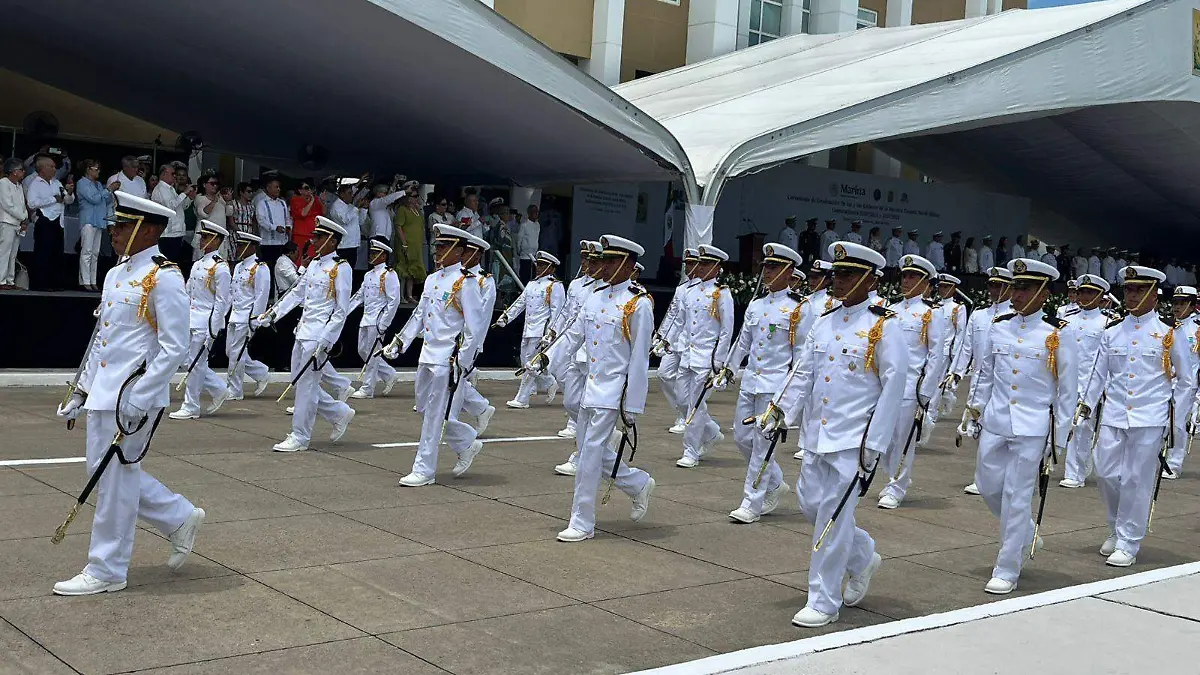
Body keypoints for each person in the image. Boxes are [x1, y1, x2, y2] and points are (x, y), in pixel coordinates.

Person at [52, 191, 204, 596]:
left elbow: (175, 346)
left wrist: (142, 395)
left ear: (147, 230)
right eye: (115, 225)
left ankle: (107, 569)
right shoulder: (117, 274)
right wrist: (81, 389)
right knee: (105, 474)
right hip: (104, 391)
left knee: (114, 480)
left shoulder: (165, 276)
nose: (114, 232)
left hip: (133, 397)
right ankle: (178, 515)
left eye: (122, 226)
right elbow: (101, 340)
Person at [756, 241, 904, 627]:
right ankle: (862, 554)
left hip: (853, 440)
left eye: (849, 275)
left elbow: (893, 387)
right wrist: (778, 410)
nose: (838, 281)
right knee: (811, 505)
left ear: (870, 279)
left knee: (833, 519)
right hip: (816, 436)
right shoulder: (824, 321)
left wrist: (874, 444)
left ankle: (823, 600)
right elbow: (802, 372)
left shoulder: (883, 325)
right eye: (837, 274)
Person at [528, 235, 656, 542]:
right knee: (590, 452)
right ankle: (637, 482)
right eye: (604, 260)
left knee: (588, 456)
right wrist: (546, 358)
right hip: (590, 387)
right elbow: (573, 336)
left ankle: (582, 521)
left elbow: (640, 358)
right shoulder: (594, 297)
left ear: (627, 264)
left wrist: (633, 406)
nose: (603, 265)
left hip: (614, 393)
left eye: (611, 261)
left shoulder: (637, 304)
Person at [958, 257, 1073, 594]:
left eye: (1025, 288)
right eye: (1015, 286)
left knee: (1017, 495)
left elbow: (1067, 390)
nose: (1017, 294)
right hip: (996, 419)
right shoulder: (1000, 326)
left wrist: (1058, 438)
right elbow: (985, 372)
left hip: (1033, 425)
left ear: (1044, 293)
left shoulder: (1057, 334)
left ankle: (1007, 566)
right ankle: (1023, 531)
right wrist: (974, 409)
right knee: (988, 484)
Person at [1079, 264, 1193, 567]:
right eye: (1129, 289)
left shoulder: (1168, 333)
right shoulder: (1113, 331)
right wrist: (1086, 406)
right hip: (1115, 414)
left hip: (1150, 416)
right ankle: (1116, 526)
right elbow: (1097, 375)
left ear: (1154, 295)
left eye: (1139, 290)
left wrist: (1174, 419)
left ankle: (1129, 539)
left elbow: (1185, 379)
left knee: (1135, 479)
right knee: (1105, 473)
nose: (1131, 295)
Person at [383, 224, 486, 485]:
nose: (437, 250)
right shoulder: (432, 279)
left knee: (433, 415)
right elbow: (420, 314)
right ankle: (466, 442)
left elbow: (474, 329)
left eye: (443, 246)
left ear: (458, 250)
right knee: (425, 408)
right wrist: (401, 341)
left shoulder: (466, 283)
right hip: (427, 353)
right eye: (438, 245)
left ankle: (424, 469)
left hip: (446, 358)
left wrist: (462, 362)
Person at [254, 216, 357, 452]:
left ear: (332, 241)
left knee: (307, 387)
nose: (314, 240)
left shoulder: (340, 268)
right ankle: (339, 412)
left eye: (319, 237)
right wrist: (272, 314)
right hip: (303, 331)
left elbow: (341, 310)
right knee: (300, 382)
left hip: (318, 335)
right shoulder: (313, 264)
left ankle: (300, 435)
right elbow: (296, 293)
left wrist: (327, 339)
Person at [720, 243, 803, 523]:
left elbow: (800, 359)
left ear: (789, 271)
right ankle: (776, 483)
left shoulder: (797, 309)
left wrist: (787, 398)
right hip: (751, 382)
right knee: (741, 438)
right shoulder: (756, 304)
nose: (767, 272)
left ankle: (751, 503)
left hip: (774, 387)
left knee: (761, 444)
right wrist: (729, 369)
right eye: (766, 267)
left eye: (774, 267)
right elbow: (744, 341)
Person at [877, 254, 946, 510]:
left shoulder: (930, 314)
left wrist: (925, 393)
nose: (907, 281)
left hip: (910, 387)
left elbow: (936, 355)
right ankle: (890, 477)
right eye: (905, 275)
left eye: (913, 276)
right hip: (886, 385)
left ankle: (897, 485)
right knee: (883, 438)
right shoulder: (891, 309)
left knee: (902, 440)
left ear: (925, 281)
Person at [953, 266, 1014, 495]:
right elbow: (965, 348)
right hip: (980, 380)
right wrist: (956, 372)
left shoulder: (1014, 317)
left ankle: (1006, 477)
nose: (994, 290)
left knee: (1002, 433)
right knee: (979, 429)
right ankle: (982, 479)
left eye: (999, 285)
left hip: (1005, 383)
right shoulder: (979, 315)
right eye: (991, 285)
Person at [675, 245, 732, 468]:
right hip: (688, 355)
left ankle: (690, 450)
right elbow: (681, 321)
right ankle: (712, 431)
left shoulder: (721, 293)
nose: (700, 268)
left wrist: (718, 362)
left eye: (706, 264)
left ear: (717, 268)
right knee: (681, 399)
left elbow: (727, 330)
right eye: (699, 263)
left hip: (706, 358)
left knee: (695, 406)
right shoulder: (690, 291)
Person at [169, 220, 232, 420]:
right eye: (201, 236)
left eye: (205, 237)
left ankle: (191, 405)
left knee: (196, 364)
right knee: (188, 360)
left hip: (206, 321)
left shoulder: (220, 268)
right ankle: (219, 388)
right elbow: (188, 293)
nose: (201, 240)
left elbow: (222, 301)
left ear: (216, 240)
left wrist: (213, 329)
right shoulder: (198, 264)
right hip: (191, 318)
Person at [548, 241, 604, 452]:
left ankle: (582, 449)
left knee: (589, 403)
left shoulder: (604, 288)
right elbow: (566, 313)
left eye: (592, 260)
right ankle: (581, 426)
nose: (586, 263)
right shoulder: (577, 284)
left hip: (593, 353)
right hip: (573, 346)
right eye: (585, 259)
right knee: (571, 401)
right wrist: (553, 332)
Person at [1057, 274, 1109, 488]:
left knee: (1082, 428)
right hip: (1066, 380)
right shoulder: (1067, 319)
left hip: (1091, 383)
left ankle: (1075, 472)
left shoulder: (1106, 322)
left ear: (1099, 296)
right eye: (1082, 292)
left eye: (1090, 292)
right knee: (1061, 424)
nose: (1084, 296)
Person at [497, 251, 565, 408]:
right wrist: (506, 317)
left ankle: (522, 399)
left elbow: (558, 312)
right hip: (528, 329)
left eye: (542, 265)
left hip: (541, 331)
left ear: (551, 268)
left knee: (529, 365)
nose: (538, 268)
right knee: (524, 362)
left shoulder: (555, 286)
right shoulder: (532, 284)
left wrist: (551, 333)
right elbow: (520, 303)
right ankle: (549, 382)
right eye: (538, 264)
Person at [455, 233, 499, 434]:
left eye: (468, 252)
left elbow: (483, 315)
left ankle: (469, 413)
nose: (464, 255)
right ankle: (481, 408)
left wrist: (476, 343)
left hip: (468, 338)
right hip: (451, 335)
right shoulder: (457, 275)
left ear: (477, 255)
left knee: (456, 379)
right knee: (453, 378)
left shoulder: (484, 281)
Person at [654, 249, 701, 435]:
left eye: (692, 264)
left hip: (694, 343)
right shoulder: (682, 288)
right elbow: (672, 314)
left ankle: (686, 416)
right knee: (663, 374)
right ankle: (682, 410)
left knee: (689, 385)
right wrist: (662, 336)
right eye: (687, 264)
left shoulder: (710, 291)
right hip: (676, 339)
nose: (688, 268)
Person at [349, 239, 402, 399]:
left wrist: (384, 323)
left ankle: (367, 388)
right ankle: (389, 373)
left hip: (378, 320)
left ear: (383, 255)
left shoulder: (389, 274)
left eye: (374, 253)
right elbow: (359, 296)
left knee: (372, 354)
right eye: (371, 252)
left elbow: (394, 301)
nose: (371, 256)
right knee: (362, 350)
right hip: (366, 318)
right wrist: (343, 311)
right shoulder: (368, 275)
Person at [224, 231, 271, 401]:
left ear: (252, 247)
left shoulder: (260, 267)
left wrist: (255, 318)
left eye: (242, 245)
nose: (238, 248)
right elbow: (232, 292)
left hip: (246, 316)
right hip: (234, 315)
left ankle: (234, 389)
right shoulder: (238, 266)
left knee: (236, 353)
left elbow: (261, 294)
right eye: (238, 245)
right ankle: (261, 372)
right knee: (231, 352)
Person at [1164, 285, 1199, 479]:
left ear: (1192, 305)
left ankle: (1173, 464)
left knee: (1177, 424)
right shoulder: (1164, 326)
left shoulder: (1197, 329)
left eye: (1182, 303)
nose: (1177, 307)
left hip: (1186, 385)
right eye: (1175, 303)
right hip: (1162, 382)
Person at [25, 155, 76, 291]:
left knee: (57, 253)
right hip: (45, 221)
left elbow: (68, 200)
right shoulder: (35, 184)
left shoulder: (57, 183)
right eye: (52, 167)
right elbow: (31, 203)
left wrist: (69, 193)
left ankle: (55, 282)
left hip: (58, 221)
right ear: (42, 169)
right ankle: (41, 283)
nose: (55, 169)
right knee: (43, 253)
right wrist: (53, 199)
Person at [76, 160, 115, 291]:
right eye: (95, 169)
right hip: (88, 220)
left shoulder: (98, 184)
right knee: (86, 251)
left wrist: (108, 192)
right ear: (88, 169)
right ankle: (84, 281)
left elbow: (107, 200)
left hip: (99, 221)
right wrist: (108, 190)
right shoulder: (82, 183)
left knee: (95, 253)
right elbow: (94, 198)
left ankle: (92, 281)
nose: (98, 171)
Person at [150, 163, 193, 270]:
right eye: (173, 174)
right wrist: (184, 193)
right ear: (164, 173)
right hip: (168, 233)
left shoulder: (170, 188)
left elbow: (180, 207)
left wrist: (189, 197)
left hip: (177, 232)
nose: (175, 176)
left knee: (175, 263)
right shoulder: (160, 189)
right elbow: (169, 207)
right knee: (168, 264)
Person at [394, 192, 427, 303]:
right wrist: (403, 242)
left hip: (416, 245)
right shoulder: (402, 210)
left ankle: (410, 295)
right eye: (413, 196)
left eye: (416, 196)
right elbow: (398, 226)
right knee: (403, 268)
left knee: (412, 269)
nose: (416, 198)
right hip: (406, 244)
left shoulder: (417, 210)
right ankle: (400, 295)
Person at [0, 158, 28, 290]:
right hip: (6, 221)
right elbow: (7, 205)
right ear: (13, 171)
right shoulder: (3, 183)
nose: (23, 172)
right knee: (4, 252)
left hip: (16, 223)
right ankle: (1, 280)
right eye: (21, 170)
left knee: (13, 253)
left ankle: (10, 280)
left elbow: (22, 204)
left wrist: (25, 218)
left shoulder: (19, 185)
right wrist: (22, 217)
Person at [255, 177, 292, 266]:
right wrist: (275, 228)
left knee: (281, 267)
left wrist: (288, 227)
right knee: (269, 267)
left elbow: (287, 218)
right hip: (268, 243)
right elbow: (261, 220)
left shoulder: (282, 203)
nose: (278, 189)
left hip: (282, 242)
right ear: (268, 188)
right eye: (276, 187)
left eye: (279, 187)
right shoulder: (262, 203)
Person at [517, 205, 543, 282]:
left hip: (535, 256)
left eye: (537, 212)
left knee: (534, 276)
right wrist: (519, 251)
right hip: (525, 255)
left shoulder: (538, 225)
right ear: (529, 213)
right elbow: (519, 240)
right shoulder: (524, 225)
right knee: (525, 276)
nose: (536, 214)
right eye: (534, 212)